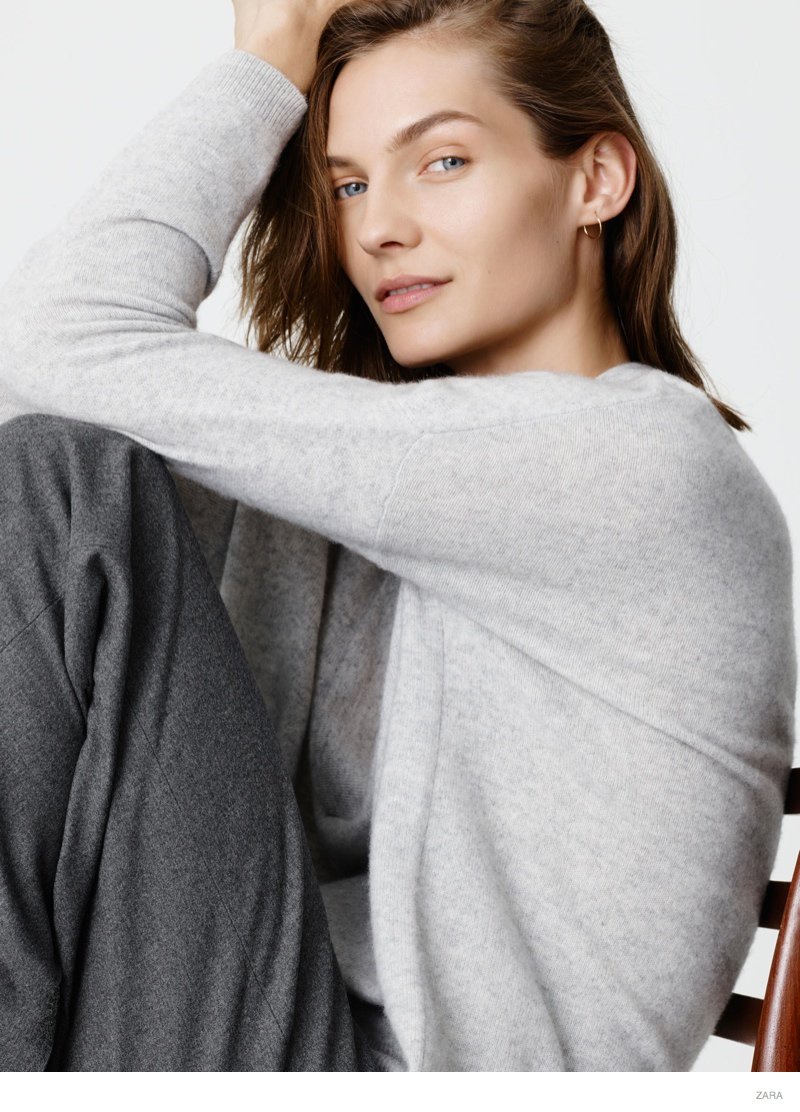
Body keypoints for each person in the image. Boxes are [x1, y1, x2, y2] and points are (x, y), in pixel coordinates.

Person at [0, 0, 795, 1072]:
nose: (377, 227)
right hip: (254, 1031)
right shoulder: (393, 478)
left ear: (596, 181)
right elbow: (42, 414)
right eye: (348, 184)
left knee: (62, 479)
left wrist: (267, 63)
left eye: (443, 161)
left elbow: (54, 353)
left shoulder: (644, 464)